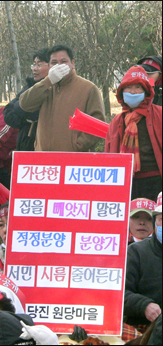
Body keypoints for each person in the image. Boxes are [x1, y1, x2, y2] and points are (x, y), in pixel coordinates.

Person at [19, 44, 105, 152]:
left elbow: (97, 123)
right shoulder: (44, 87)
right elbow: (24, 103)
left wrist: (77, 145)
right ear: (49, 66)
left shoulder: (88, 88)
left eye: (63, 62)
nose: (59, 65)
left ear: (72, 63)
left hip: (72, 160)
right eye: (54, 63)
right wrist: (48, 81)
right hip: (43, 159)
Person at [105, 66, 162, 201]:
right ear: (122, 92)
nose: (133, 92)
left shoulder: (159, 114)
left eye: (137, 87)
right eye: (128, 88)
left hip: (156, 180)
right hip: (127, 182)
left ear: (146, 91)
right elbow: (108, 152)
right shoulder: (118, 120)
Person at [124, 191, 162, 331]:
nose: (141, 222)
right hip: (144, 329)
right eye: (161, 219)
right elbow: (121, 293)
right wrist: (144, 305)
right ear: (155, 223)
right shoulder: (135, 252)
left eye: (145, 218)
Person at [4, 48, 50, 151]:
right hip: (25, 144)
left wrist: (23, 113)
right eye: (34, 64)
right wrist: (25, 119)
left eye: (39, 65)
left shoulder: (54, 89)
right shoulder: (29, 86)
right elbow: (8, 113)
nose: (35, 69)